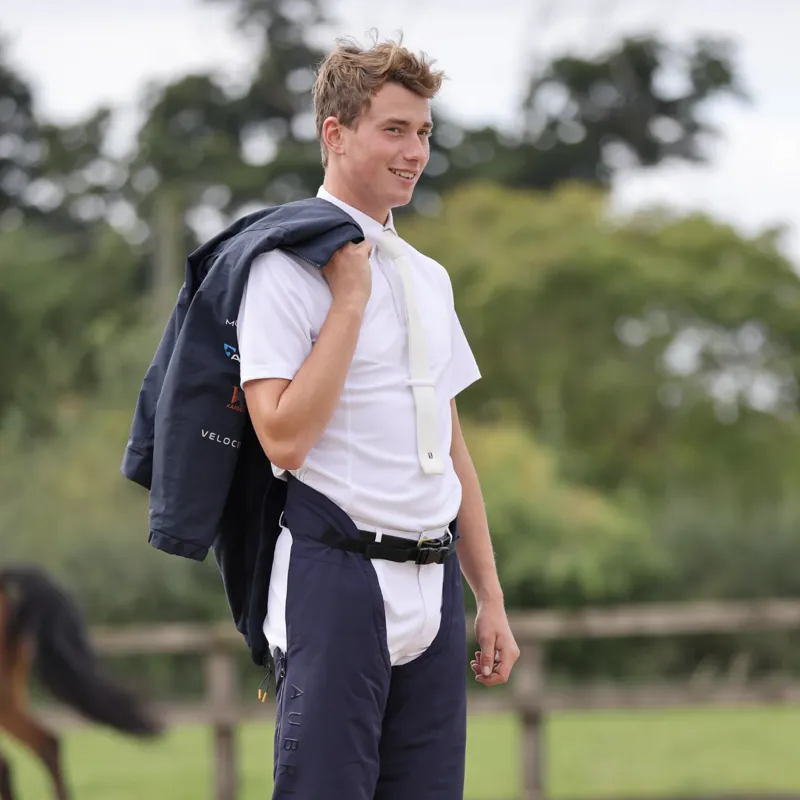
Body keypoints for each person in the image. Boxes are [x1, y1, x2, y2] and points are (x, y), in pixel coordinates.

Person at [237, 35, 520, 799]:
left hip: (435, 594)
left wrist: (488, 596)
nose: (415, 151)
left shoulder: (429, 278)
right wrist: (350, 300)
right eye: (394, 129)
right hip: (335, 582)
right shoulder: (283, 268)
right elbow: (283, 438)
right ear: (336, 134)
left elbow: (451, 448)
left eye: (423, 132)